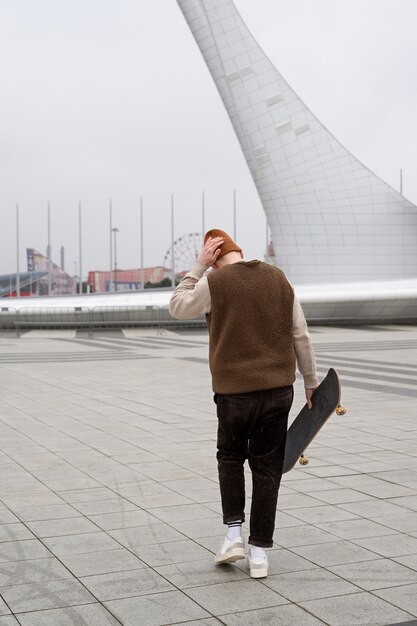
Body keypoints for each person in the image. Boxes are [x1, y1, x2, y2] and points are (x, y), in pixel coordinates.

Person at [169, 228, 318, 578]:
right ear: (240, 251)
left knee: (231, 457)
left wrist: (197, 267)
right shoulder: (278, 278)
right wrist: (311, 381)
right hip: (278, 391)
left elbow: (177, 306)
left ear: (214, 257)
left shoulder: (215, 283)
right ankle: (260, 554)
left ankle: (233, 534)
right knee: (267, 469)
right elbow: (300, 333)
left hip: (234, 394)